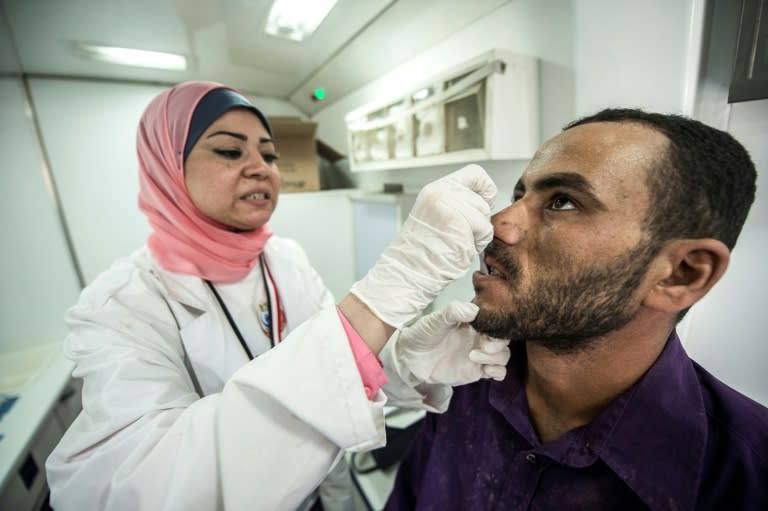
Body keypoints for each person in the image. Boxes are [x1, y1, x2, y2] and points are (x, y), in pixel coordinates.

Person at [44, 81, 511, 511]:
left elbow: (338, 372)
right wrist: (386, 293)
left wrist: (401, 361)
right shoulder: (122, 302)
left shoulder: (283, 258)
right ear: (166, 167)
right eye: (229, 151)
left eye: (269, 156)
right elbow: (130, 488)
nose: (259, 169)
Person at [384, 108, 768, 510]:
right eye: (519, 195)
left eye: (562, 202)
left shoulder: (747, 480)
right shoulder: (460, 387)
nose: (494, 224)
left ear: (680, 275)